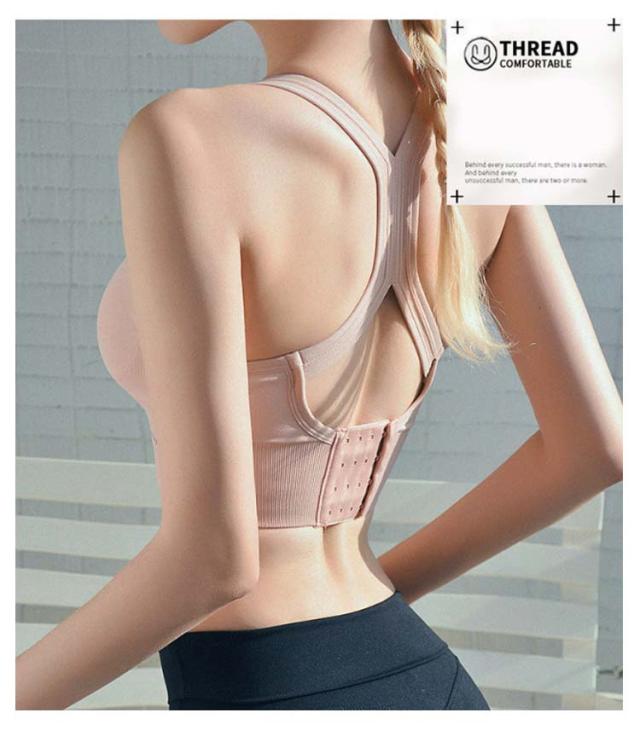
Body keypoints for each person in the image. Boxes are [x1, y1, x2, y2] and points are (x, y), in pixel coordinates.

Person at [15, 19, 622, 710]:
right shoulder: (477, 122)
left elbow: (211, 561)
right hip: (419, 673)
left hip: (268, 688)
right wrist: (368, 611)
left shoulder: (187, 137)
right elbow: (594, 451)